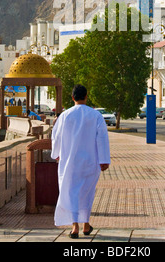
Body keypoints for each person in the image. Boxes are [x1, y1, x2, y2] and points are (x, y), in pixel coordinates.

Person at [51, 84, 110, 238]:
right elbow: (102, 138)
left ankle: (75, 227)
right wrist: (104, 160)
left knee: (70, 193)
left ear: (72, 98)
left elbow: (55, 136)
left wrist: (56, 154)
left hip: (69, 162)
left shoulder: (64, 116)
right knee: (86, 193)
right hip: (90, 161)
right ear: (86, 96)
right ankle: (86, 225)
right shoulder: (95, 115)